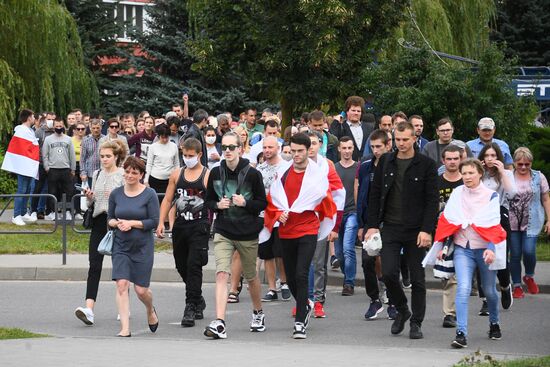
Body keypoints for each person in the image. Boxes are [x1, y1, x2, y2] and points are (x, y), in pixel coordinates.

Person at [365, 121, 438, 340]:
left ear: (415, 138)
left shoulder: (426, 164)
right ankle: (402, 309)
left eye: (406, 139)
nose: (402, 143)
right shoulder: (386, 161)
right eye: (398, 139)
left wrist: (426, 230)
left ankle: (416, 322)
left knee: (417, 279)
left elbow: (432, 201)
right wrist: (371, 225)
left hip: (416, 230)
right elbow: (375, 194)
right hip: (391, 227)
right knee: (388, 273)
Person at [261, 133, 337, 339]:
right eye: (292, 151)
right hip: (286, 229)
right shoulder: (283, 173)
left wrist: (332, 225)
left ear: (308, 150)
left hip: (308, 228)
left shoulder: (317, 174)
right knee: (292, 276)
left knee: (302, 273)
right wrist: (278, 214)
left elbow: (326, 199)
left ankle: (299, 322)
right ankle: (306, 303)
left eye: (300, 151)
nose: (295, 155)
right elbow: (272, 200)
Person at [427, 158, 507, 349]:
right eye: (464, 173)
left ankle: (494, 322)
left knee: (489, 291)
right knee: (462, 288)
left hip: (485, 250)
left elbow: (494, 224)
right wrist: (444, 248)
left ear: (480, 173)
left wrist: (490, 248)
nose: (467, 177)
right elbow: (449, 221)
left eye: (471, 173)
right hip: (463, 249)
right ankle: (461, 333)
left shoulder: (491, 196)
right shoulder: (457, 193)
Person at [204, 132, 267, 339]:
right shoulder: (215, 173)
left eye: (232, 147)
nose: (228, 151)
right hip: (223, 230)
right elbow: (208, 201)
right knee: (222, 273)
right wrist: (216, 205)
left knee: (251, 278)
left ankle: (258, 312)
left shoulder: (252, 174)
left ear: (241, 148)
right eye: (225, 148)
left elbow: (262, 204)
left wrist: (245, 203)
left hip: (247, 232)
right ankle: (220, 321)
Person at [156, 138, 210, 327]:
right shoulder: (176, 174)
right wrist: (161, 222)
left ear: (199, 155)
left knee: (194, 265)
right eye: (185, 155)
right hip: (181, 225)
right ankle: (198, 298)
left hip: (199, 225)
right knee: (181, 265)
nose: (187, 159)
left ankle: (190, 306)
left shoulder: (206, 175)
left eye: (191, 156)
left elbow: (214, 200)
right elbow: (168, 199)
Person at [107, 156, 160, 337]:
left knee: (141, 290)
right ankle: (125, 328)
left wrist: (132, 223)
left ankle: (150, 310)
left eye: (134, 173)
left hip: (143, 247)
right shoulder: (116, 194)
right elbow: (110, 218)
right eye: (127, 172)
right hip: (121, 245)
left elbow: (153, 221)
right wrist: (116, 224)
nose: (130, 175)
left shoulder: (149, 194)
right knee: (121, 285)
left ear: (141, 175)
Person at [74, 140, 126, 326]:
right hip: (98, 221)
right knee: (94, 265)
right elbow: (92, 204)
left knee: (120, 267)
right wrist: (89, 198)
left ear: (116, 156)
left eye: (108, 156)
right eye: (102, 156)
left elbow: (128, 199)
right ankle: (89, 309)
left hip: (117, 223)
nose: (104, 159)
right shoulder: (96, 174)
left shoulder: (123, 175)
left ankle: (123, 308)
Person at [355, 129, 392, 320]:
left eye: (380, 146)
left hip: (391, 222)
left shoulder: (394, 166)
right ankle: (374, 300)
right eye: (373, 147)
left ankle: (393, 300)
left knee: (388, 263)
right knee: (367, 261)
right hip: (370, 221)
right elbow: (361, 196)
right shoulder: (366, 166)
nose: (376, 150)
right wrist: (361, 224)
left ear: (388, 145)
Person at [476, 143, 517, 313]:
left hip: (500, 215)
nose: (491, 159)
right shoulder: (479, 174)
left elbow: (513, 193)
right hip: (480, 215)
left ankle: (505, 286)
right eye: (487, 156)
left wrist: (501, 172)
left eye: (494, 156)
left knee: (499, 257)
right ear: (483, 158)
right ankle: (485, 299)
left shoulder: (506, 173)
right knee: (480, 256)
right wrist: (479, 172)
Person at [509, 147, 550, 298]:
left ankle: (529, 276)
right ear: (514, 163)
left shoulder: (539, 177)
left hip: (532, 221)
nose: (523, 167)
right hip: (512, 222)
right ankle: (517, 285)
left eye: (527, 164)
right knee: (514, 254)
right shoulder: (508, 176)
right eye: (520, 164)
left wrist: (549, 220)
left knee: (529, 251)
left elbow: (545, 198)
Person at [256, 136, 290, 302]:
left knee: (280, 252)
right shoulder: (259, 169)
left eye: (270, 147)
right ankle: (271, 288)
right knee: (266, 253)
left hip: (281, 216)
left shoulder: (286, 167)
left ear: (278, 147)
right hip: (264, 216)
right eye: (265, 147)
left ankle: (284, 282)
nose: (267, 150)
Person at [436, 145, 464, 328]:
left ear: (461, 159)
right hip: (442, 233)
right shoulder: (436, 182)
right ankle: (449, 313)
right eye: (449, 159)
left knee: (462, 275)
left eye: (456, 158)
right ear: (443, 161)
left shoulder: (467, 182)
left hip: (464, 233)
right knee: (449, 275)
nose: (452, 162)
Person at [1, 109, 39, 225]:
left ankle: (23, 213)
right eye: (33, 116)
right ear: (28, 118)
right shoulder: (21, 130)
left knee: (27, 190)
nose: (34, 118)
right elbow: (21, 149)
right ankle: (16, 215)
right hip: (23, 166)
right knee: (21, 190)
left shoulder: (29, 131)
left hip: (28, 165)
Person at [334, 137, 358, 295]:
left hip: (352, 212)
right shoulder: (334, 168)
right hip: (336, 214)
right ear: (339, 149)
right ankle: (346, 275)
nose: (347, 151)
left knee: (349, 247)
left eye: (350, 148)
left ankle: (349, 282)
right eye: (344, 148)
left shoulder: (358, 167)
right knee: (339, 253)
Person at [43, 118, 77, 221]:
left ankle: (67, 212)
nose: (58, 128)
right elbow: (45, 155)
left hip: (66, 169)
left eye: (60, 126)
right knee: (52, 191)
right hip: (53, 170)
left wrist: (73, 169)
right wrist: (47, 167)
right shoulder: (48, 139)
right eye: (56, 126)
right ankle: (53, 212)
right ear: (53, 127)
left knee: (68, 192)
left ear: (63, 126)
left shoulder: (68, 139)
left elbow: (72, 155)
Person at [329, 96, 374, 160]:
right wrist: (336, 121)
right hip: (346, 166)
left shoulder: (368, 128)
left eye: (358, 111)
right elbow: (332, 139)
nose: (356, 113)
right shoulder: (340, 127)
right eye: (353, 110)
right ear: (347, 112)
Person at [145, 124, 179, 196]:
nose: (165, 140)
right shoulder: (153, 147)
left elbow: (176, 164)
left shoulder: (174, 146)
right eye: (162, 137)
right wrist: (146, 180)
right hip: (155, 179)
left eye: (166, 137)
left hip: (170, 179)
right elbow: (149, 164)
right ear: (158, 136)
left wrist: (177, 178)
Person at [80, 119, 105, 188]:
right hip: (90, 174)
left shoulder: (106, 139)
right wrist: (83, 173)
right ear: (90, 128)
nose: (96, 130)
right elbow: (82, 159)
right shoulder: (85, 140)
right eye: (93, 128)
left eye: (97, 128)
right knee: (91, 195)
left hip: (104, 173)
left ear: (101, 128)